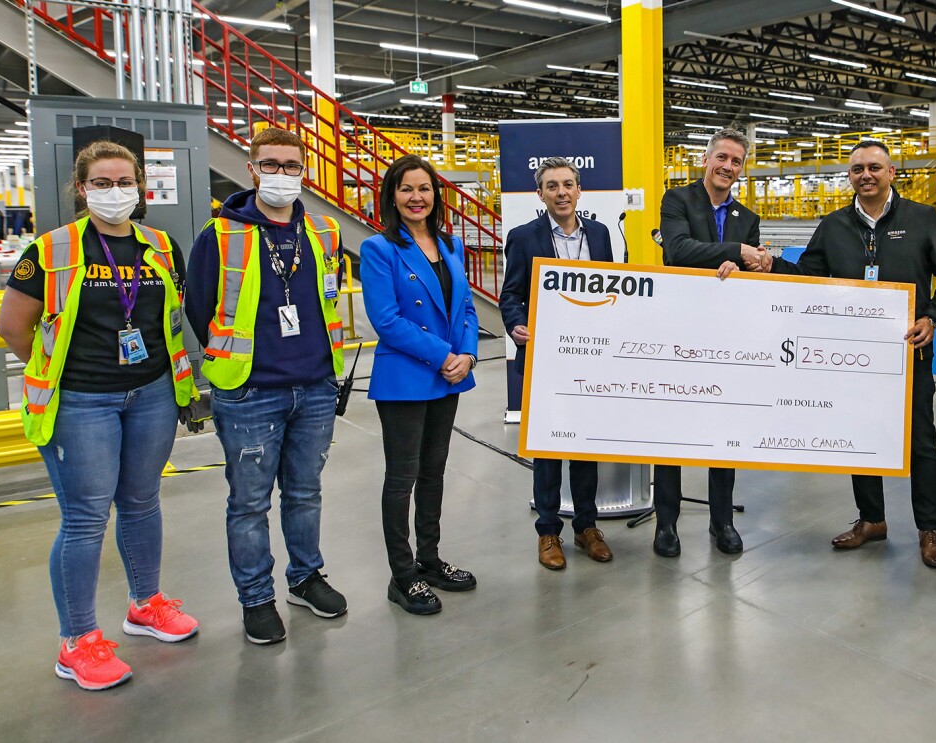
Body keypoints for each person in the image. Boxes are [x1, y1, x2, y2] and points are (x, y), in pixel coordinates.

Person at [0, 141, 200, 691]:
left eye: (125, 182)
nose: (116, 192)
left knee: (141, 502)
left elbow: (170, 318)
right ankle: (78, 641)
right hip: (82, 400)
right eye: (102, 183)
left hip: (152, 392)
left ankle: (146, 604)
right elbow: (13, 326)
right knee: (86, 518)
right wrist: (61, 370)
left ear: (140, 187)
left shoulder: (161, 245)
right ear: (81, 189)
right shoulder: (50, 249)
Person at [764, 140, 936, 568]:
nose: (866, 175)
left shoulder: (922, 220)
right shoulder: (835, 225)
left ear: (891, 172)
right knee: (861, 439)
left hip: (907, 356)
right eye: (857, 169)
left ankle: (929, 529)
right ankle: (872, 519)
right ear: (850, 177)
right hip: (853, 360)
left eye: (874, 167)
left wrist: (933, 316)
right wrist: (771, 265)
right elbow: (809, 276)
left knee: (921, 444)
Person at [186, 127, 348, 644]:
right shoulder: (221, 235)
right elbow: (199, 306)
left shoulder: (323, 232)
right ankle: (256, 598)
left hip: (316, 386)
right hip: (251, 391)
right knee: (250, 503)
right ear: (252, 170)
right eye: (270, 165)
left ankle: (304, 576)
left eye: (291, 166)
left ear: (304, 172)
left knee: (305, 493)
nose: (282, 175)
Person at [360, 155, 480, 615]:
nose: (417, 197)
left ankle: (429, 560)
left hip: (449, 375)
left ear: (436, 195)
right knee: (402, 478)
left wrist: (467, 355)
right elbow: (386, 320)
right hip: (407, 379)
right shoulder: (380, 249)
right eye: (407, 189)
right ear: (392, 195)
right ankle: (403, 575)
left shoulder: (451, 244)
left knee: (434, 472)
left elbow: (466, 308)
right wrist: (444, 355)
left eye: (425, 189)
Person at [653, 128, 765, 558]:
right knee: (671, 431)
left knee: (724, 430)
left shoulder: (747, 216)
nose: (728, 167)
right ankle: (667, 524)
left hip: (725, 336)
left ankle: (723, 522)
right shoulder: (677, 200)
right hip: (678, 332)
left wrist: (750, 266)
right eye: (722, 157)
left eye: (736, 161)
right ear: (706, 159)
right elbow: (678, 251)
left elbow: (749, 273)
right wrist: (736, 251)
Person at [500, 157, 616, 570]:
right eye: (552, 186)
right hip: (546, 358)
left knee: (585, 447)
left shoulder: (600, 235)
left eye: (568, 184)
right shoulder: (523, 237)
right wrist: (516, 325)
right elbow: (510, 294)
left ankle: (587, 526)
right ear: (541, 194)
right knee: (548, 450)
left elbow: (611, 290)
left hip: (590, 356)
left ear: (579, 190)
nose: (562, 192)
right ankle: (548, 531)